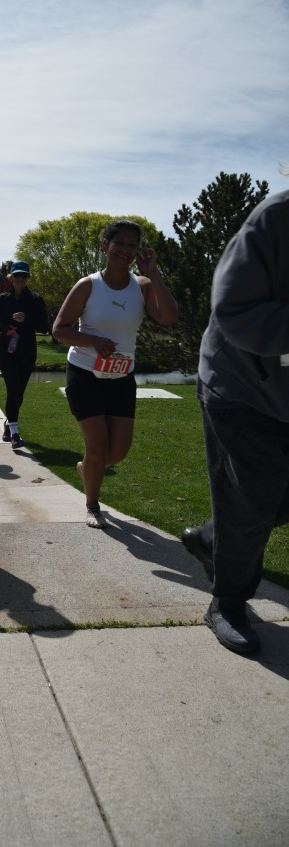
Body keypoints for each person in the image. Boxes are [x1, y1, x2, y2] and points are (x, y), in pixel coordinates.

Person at [181, 188, 289, 655]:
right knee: (251, 500)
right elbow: (234, 310)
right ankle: (228, 602)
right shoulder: (277, 218)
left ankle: (212, 539)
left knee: (264, 504)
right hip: (241, 385)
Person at [52, 220, 178, 528]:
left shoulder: (143, 286)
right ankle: (92, 506)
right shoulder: (88, 285)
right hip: (85, 373)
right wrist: (93, 341)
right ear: (104, 247)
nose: (125, 250)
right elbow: (59, 330)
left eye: (132, 245)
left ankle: (88, 468)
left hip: (122, 376)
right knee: (97, 445)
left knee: (118, 451)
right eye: (119, 243)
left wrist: (153, 273)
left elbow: (168, 318)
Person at [0, 260, 49, 449]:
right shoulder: (3, 299)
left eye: (23, 276)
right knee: (13, 388)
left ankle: (9, 423)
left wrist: (27, 318)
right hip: (6, 351)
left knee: (19, 392)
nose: (20, 279)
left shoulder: (36, 299)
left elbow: (45, 327)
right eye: (16, 276)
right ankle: (15, 434)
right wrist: (6, 329)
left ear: (28, 278)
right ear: (11, 278)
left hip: (27, 351)